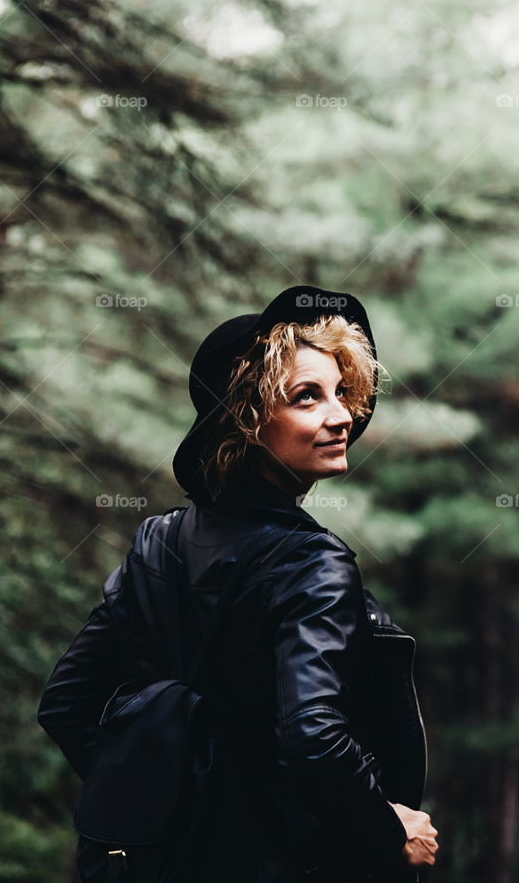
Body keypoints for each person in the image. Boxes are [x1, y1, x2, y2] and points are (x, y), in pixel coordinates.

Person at [38, 284, 439, 882]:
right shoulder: (312, 562)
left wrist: (171, 803)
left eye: (340, 393)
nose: (343, 415)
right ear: (247, 421)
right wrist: (387, 831)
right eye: (307, 397)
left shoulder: (159, 543)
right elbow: (315, 736)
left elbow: (67, 705)